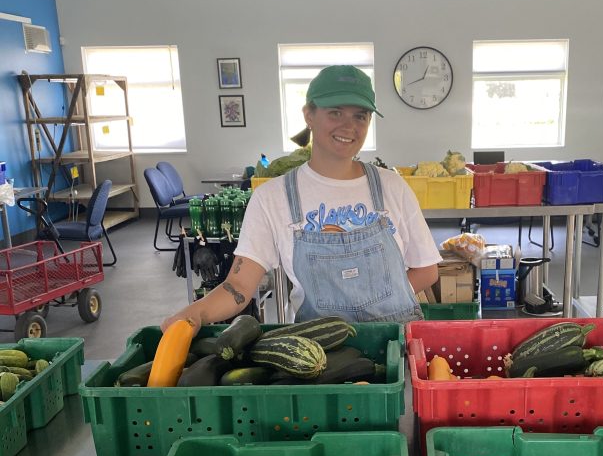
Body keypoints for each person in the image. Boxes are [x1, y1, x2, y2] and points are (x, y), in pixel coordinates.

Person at [162, 65, 441, 331]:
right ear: (309, 114)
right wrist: (193, 313)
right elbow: (239, 286)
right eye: (335, 112)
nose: (349, 126)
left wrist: (378, 307)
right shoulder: (272, 198)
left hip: (397, 344)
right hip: (319, 355)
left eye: (360, 116)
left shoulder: (392, 186)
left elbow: (427, 270)